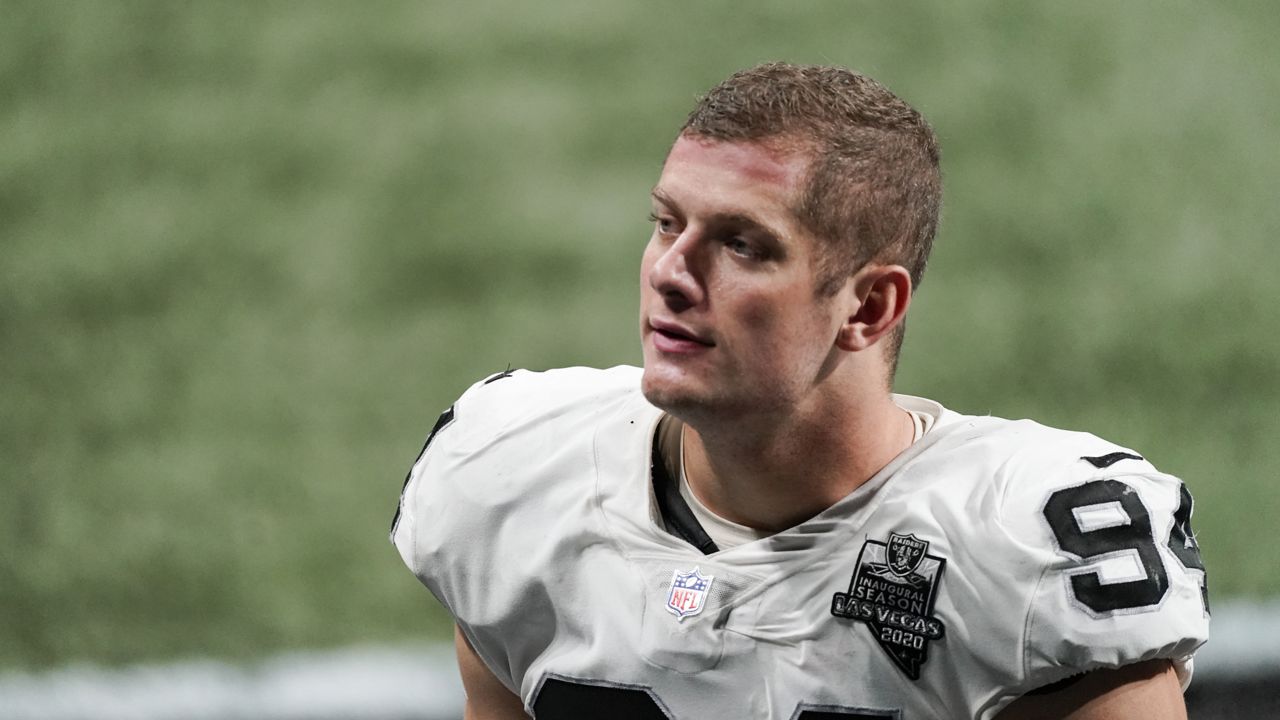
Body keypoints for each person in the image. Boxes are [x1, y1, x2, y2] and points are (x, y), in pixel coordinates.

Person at [390, 63, 1208, 720]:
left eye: (742, 245)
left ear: (869, 305)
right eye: (666, 223)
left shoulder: (1028, 551)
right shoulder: (517, 473)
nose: (670, 274)